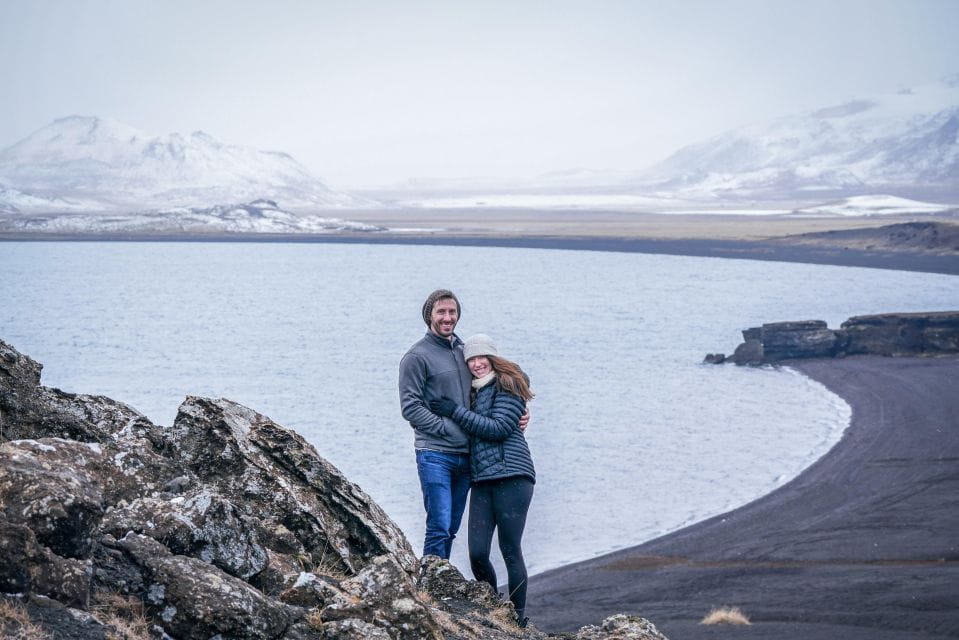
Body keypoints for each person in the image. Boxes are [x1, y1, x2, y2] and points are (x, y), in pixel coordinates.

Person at [429, 333, 535, 628]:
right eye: (471, 359)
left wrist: (455, 411)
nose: (476, 364)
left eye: (481, 357)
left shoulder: (509, 384)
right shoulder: (473, 393)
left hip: (514, 476)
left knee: (510, 549)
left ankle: (516, 619)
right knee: (477, 552)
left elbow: (499, 428)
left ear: (492, 358)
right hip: (483, 480)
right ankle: (494, 606)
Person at [399, 289, 472, 560]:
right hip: (434, 454)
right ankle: (431, 587)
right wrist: (446, 428)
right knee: (439, 526)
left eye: (452, 312)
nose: (447, 317)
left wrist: (520, 413)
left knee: (451, 528)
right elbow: (410, 408)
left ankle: (442, 582)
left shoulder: (466, 352)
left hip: (466, 456)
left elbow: (492, 387)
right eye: (441, 312)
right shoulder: (416, 357)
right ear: (429, 315)